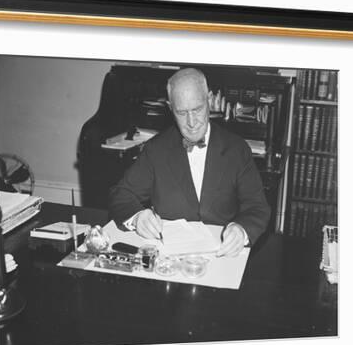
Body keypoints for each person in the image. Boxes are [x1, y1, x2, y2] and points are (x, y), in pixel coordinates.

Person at [108, 68, 270, 257]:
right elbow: (121, 195)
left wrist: (241, 230)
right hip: (170, 261)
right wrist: (137, 218)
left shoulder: (237, 149)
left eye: (197, 109)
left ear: (209, 100)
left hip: (223, 256)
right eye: (182, 113)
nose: (192, 122)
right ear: (170, 108)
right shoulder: (155, 150)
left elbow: (257, 207)